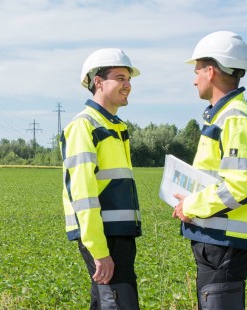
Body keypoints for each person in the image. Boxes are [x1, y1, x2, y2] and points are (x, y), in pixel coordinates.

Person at [172, 31, 247, 310]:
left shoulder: (234, 118)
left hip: (224, 242)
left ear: (211, 71)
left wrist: (192, 204)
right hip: (217, 239)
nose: (194, 78)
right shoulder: (223, 116)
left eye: (197, 70)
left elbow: (240, 187)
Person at [59, 48, 142, 309]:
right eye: (120, 78)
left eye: (129, 79)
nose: (128, 85)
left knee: (106, 303)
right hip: (105, 237)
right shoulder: (85, 126)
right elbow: (82, 194)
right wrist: (99, 249)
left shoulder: (114, 126)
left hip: (119, 235)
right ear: (98, 82)